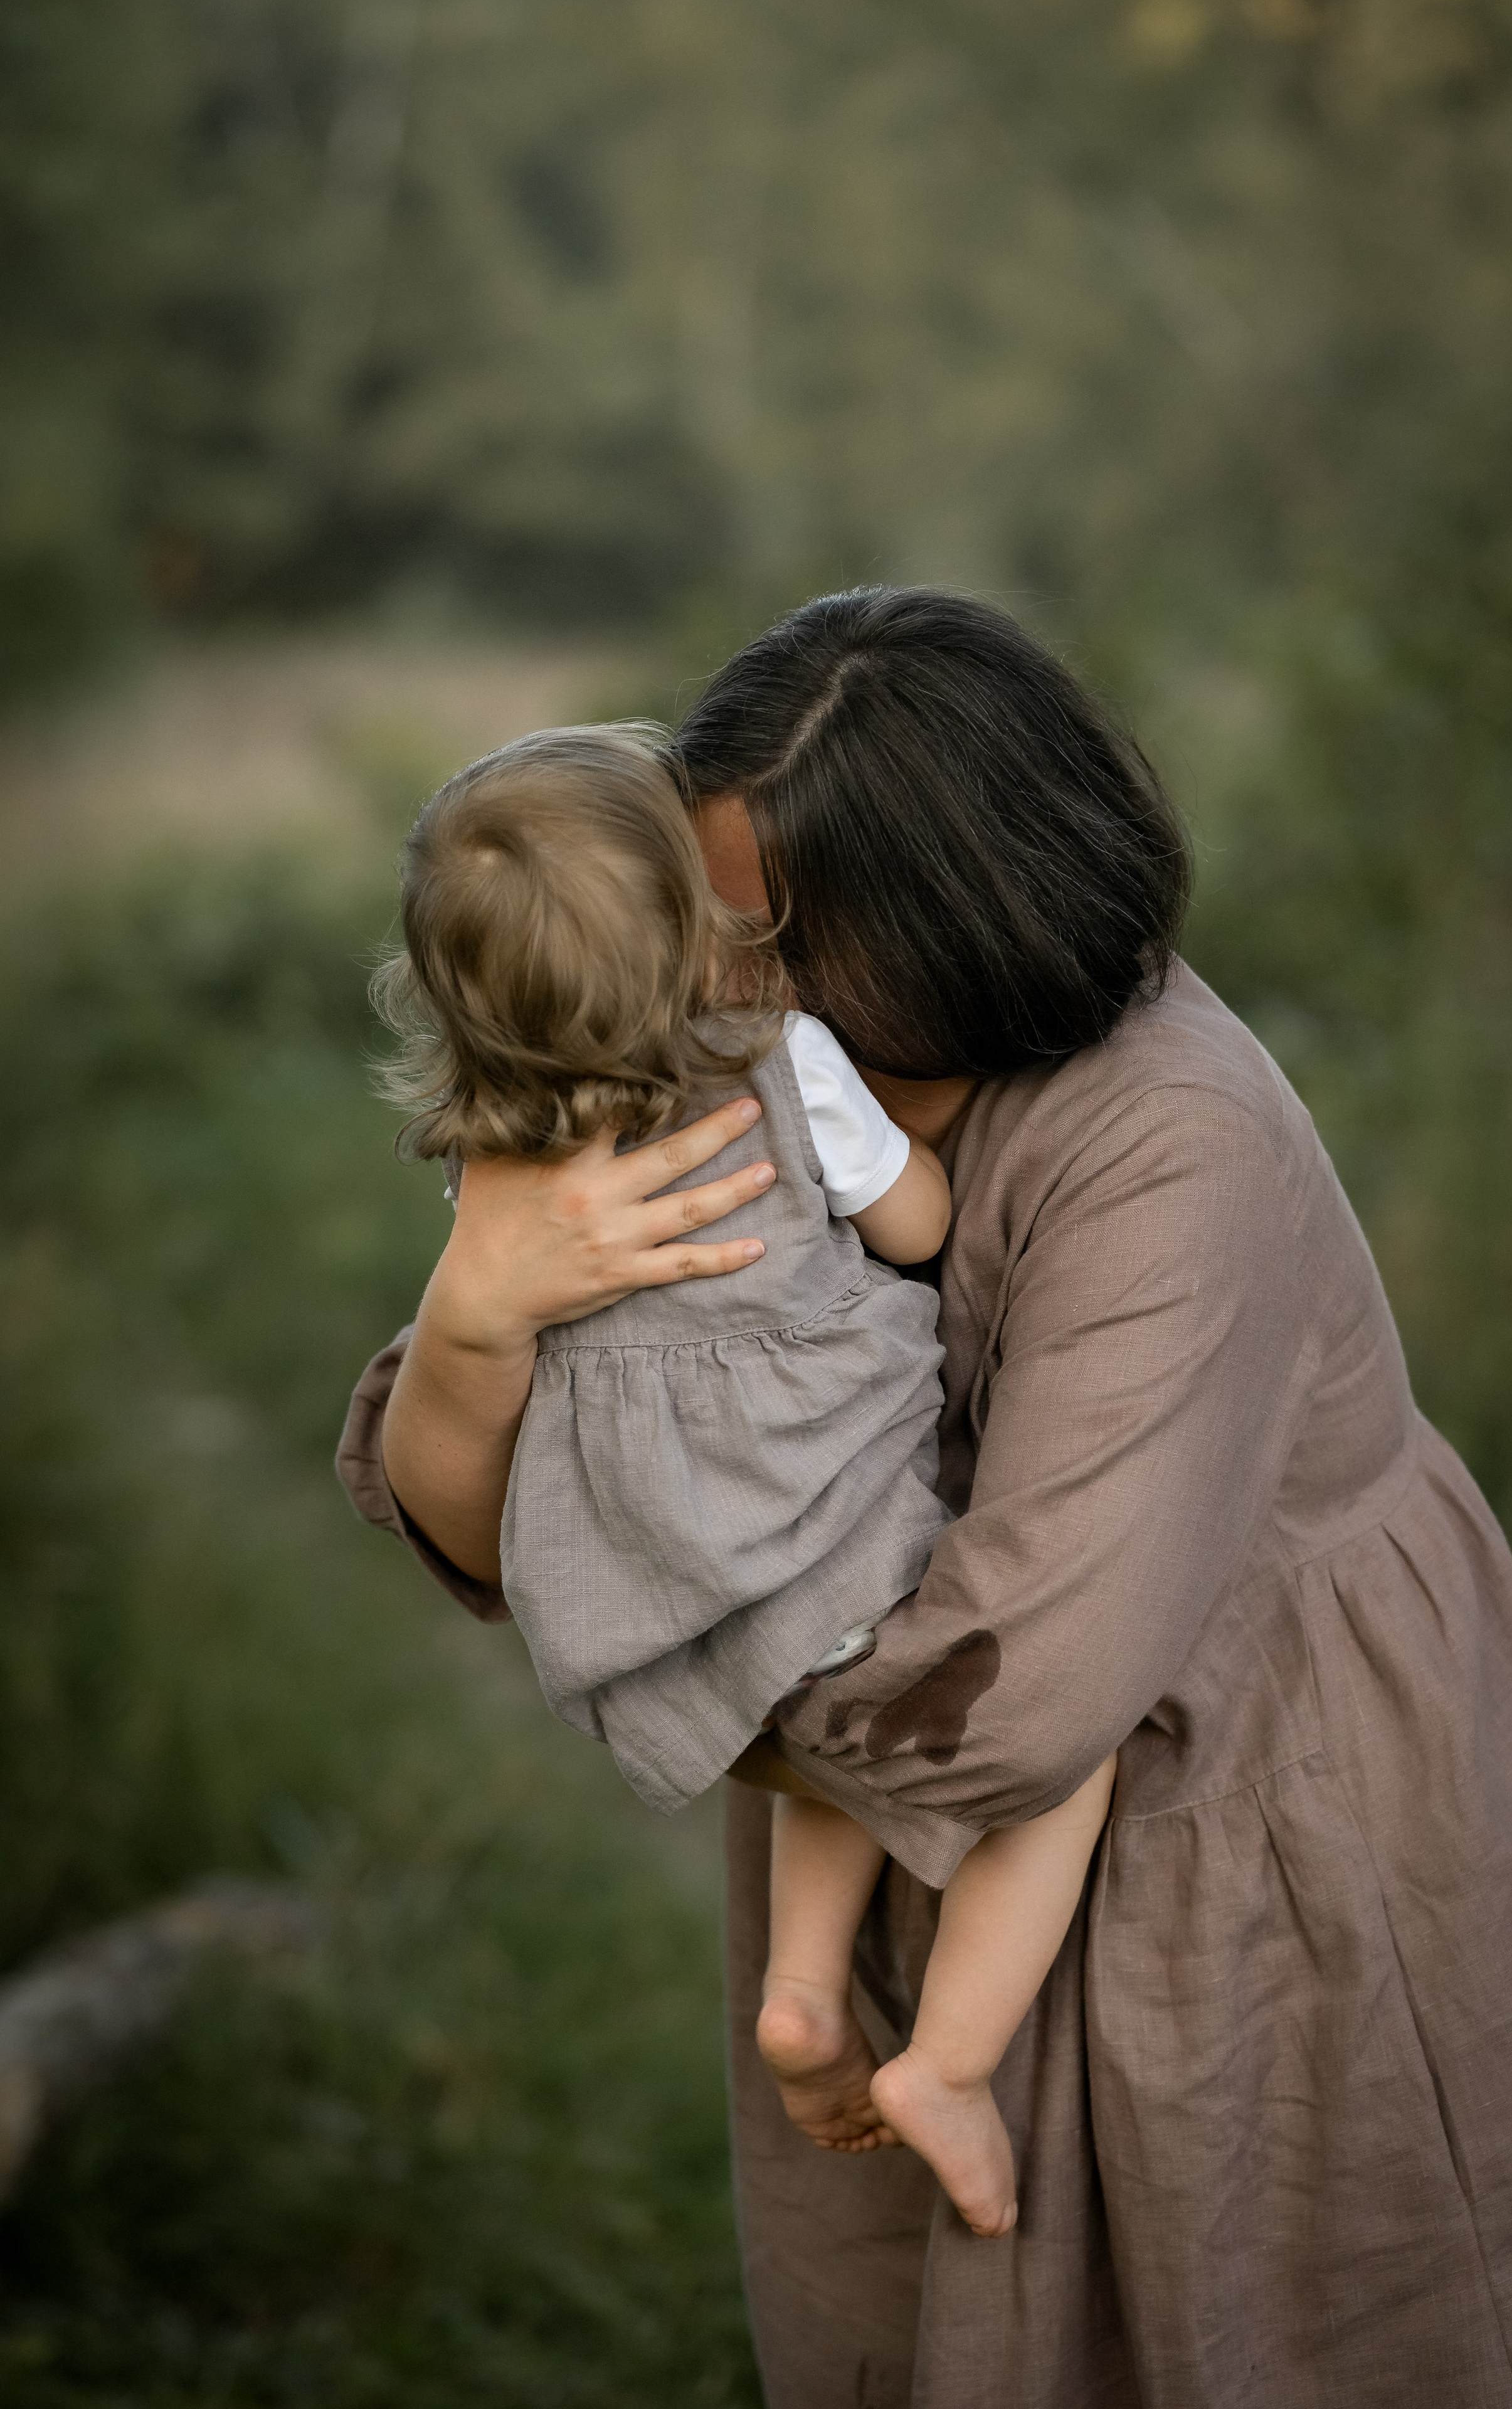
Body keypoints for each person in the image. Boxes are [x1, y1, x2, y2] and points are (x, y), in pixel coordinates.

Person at [339, 588, 1512, 2406]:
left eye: (757, 944)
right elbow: (476, 1525)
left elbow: (1003, 1710)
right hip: (909, 1790)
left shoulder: (1168, 1148)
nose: (710, 984)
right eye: (694, 925)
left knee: (1279, 2315)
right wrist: (479, 1313)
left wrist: (672, 1659)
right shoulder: (682, 1084)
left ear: (942, 923)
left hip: (1243, 1815)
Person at [364, 718, 1117, 2236]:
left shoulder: (492, 1168)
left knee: (815, 1700)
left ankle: (800, 1992)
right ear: (699, 927)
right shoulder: (783, 1062)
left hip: (659, 1583)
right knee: (1073, 1739)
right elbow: (916, 1225)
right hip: (816, 1530)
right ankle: (949, 2062)